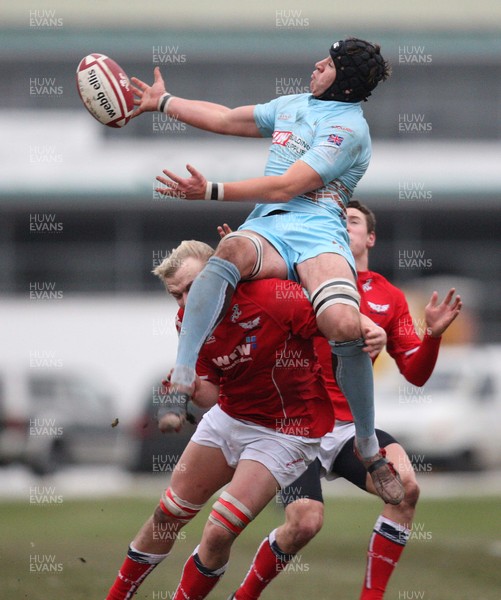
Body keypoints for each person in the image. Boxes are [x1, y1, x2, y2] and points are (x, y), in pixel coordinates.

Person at [131, 37, 403, 503]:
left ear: (345, 79)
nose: (317, 64)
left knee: (341, 324)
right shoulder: (293, 104)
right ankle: (180, 377)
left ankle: (366, 446)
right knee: (230, 249)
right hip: (273, 229)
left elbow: (286, 186)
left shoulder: (350, 128)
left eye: (329, 62)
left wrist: (212, 191)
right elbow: (226, 117)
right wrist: (164, 103)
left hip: (318, 233)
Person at [226, 200, 462, 600]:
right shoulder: (298, 275)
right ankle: (243, 595)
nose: (343, 225)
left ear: (370, 236)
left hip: (352, 429)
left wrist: (433, 336)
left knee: (405, 488)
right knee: (304, 522)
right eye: (336, 220)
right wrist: (240, 268)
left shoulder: (389, 295)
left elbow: (416, 374)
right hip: (296, 425)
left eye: (352, 221)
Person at [105, 239, 338, 600]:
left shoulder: (276, 297)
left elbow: (336, 324)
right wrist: (194, 388)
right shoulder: (187, 319)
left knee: (218, 531)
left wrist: (366, 331)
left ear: (221, 272)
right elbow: (213, 389)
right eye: (176, 295)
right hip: (230, 416)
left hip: (286, 431)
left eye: (193, 288)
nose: (185, 302)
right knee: (168, 515)